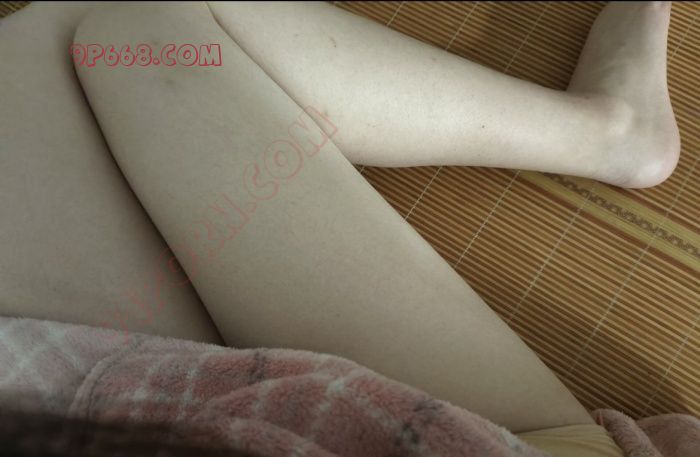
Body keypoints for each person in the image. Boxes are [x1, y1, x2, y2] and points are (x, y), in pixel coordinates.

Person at [0, 2, 688, 456]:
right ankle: (608, 131)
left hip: (80, 382)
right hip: (469, 439)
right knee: (142, 31)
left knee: (47, 47)